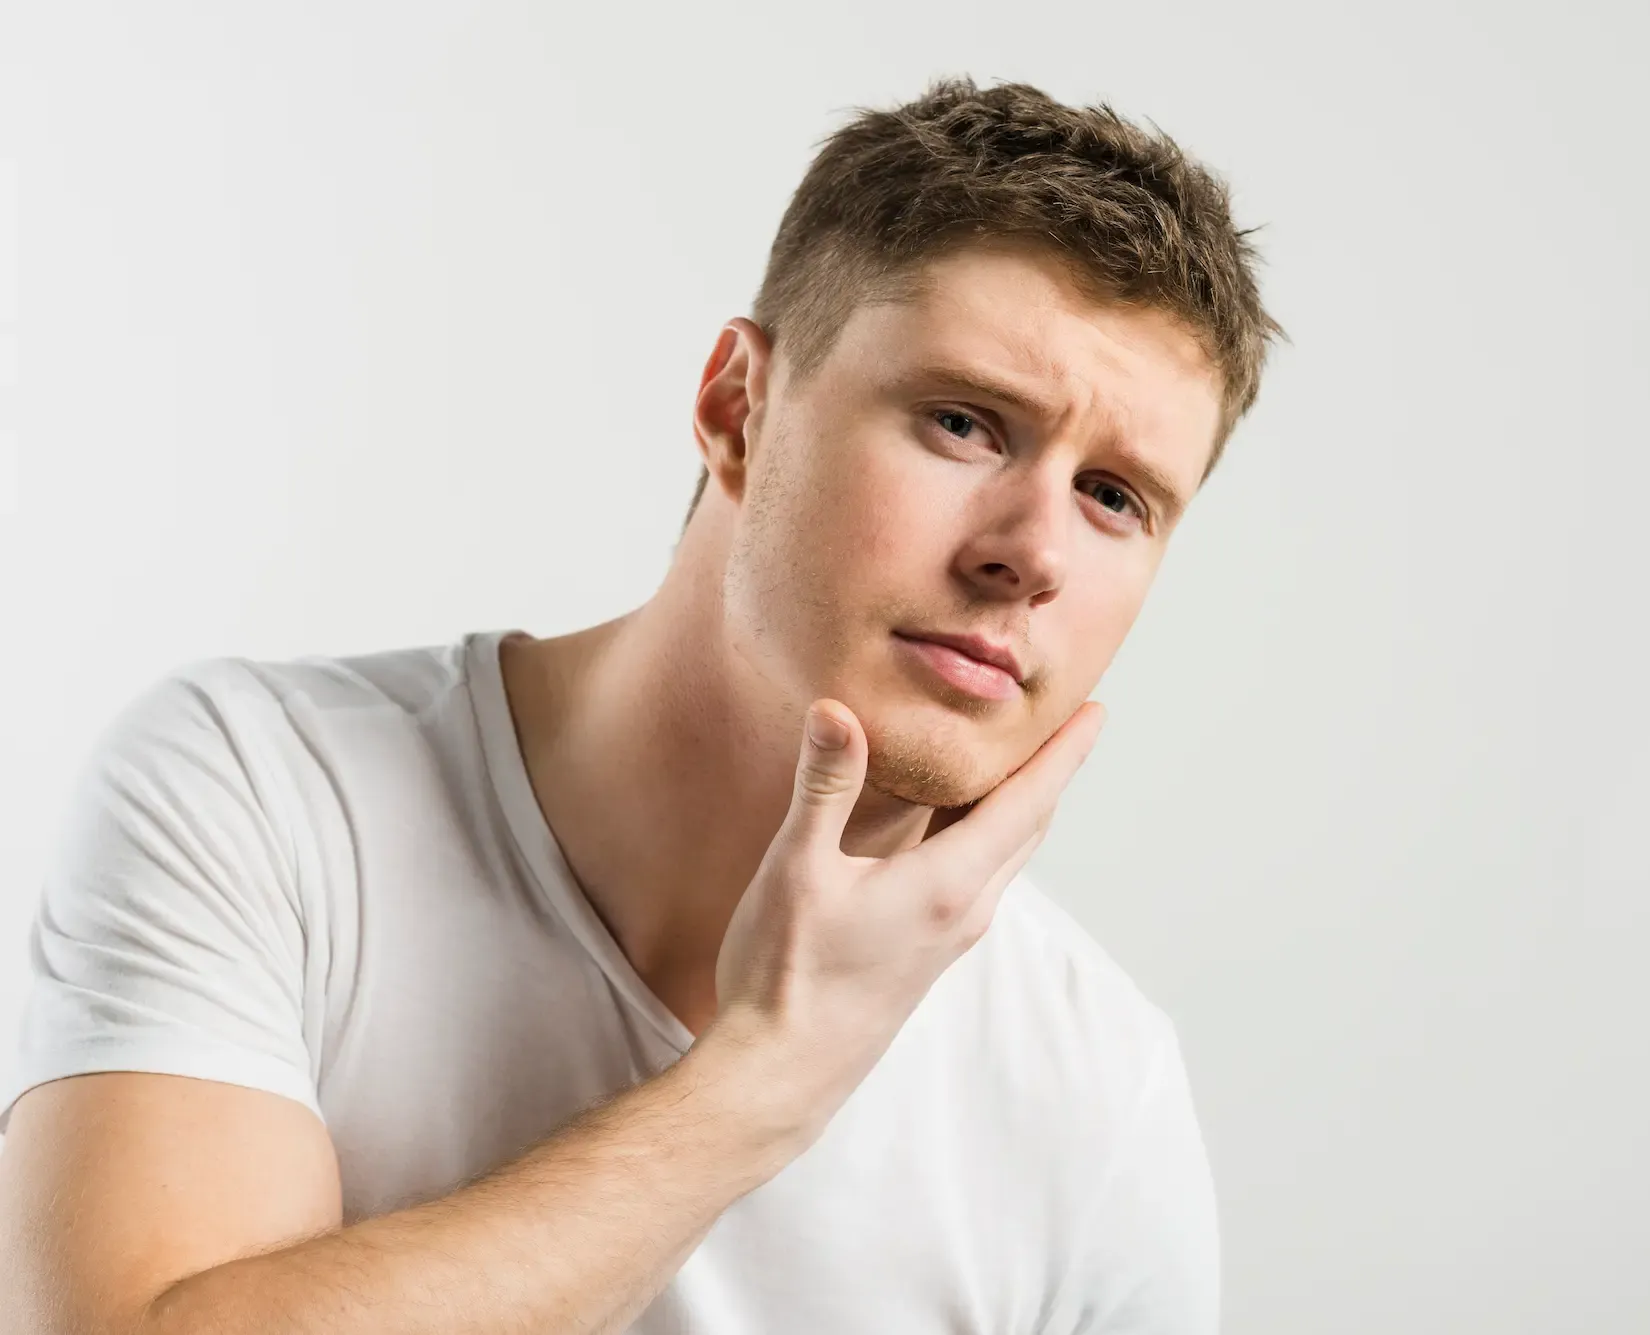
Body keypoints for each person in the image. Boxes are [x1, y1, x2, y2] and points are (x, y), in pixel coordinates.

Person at [0, 77, 1281, 1333]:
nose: (1033, 553)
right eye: (962, 423)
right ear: (736, 410)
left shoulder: (1095, 1095)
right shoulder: (264, 792)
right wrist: (764, 1079)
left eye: (1114, 498)